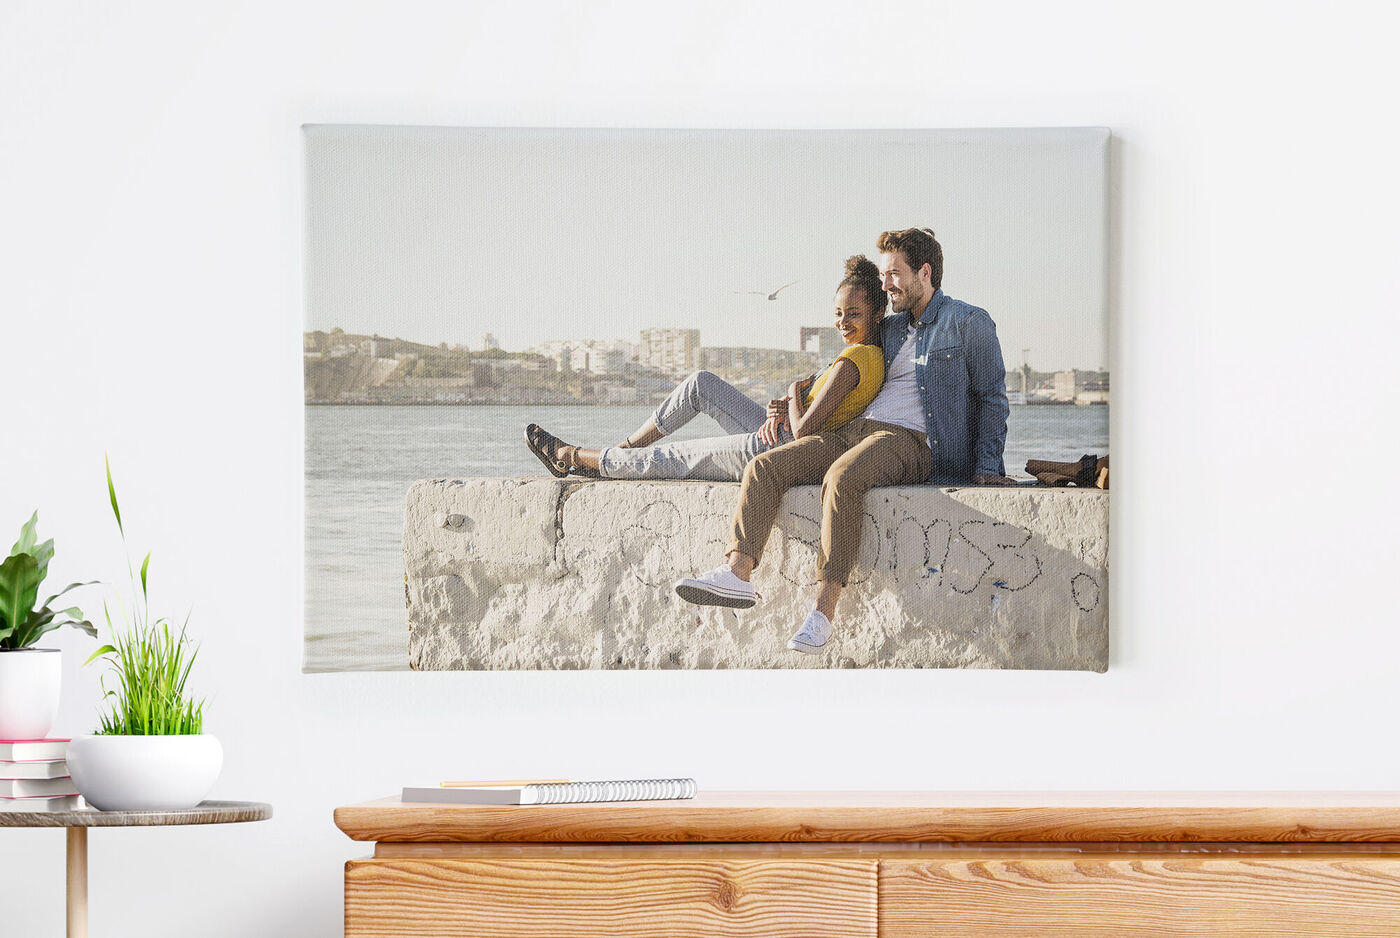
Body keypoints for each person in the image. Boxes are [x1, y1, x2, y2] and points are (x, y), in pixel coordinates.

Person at [673, 228, 1014, 653]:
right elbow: (839, 367)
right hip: (855, 430)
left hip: (913, 442)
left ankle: (822, 612)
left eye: (894, 274)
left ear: (924, 273)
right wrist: (788, 400)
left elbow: (991, 397)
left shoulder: (967, 321)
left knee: (842, 477)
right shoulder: (888, 329)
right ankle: (737, 575)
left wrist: (986, 467)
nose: (885, 284)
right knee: (766, 465)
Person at [524, 256, 888, 483]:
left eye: (854, 314)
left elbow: (807, 430)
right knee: (701, 384)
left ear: (877, 314)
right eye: (839, 314)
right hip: (778, 433)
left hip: (778, 448)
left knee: (674, 458)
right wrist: (786, 406)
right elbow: (815, 416)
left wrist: (793, 391)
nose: (843, 322)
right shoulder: (866, 356)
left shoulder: (853, 360)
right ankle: (624, 451)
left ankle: (569, 456)